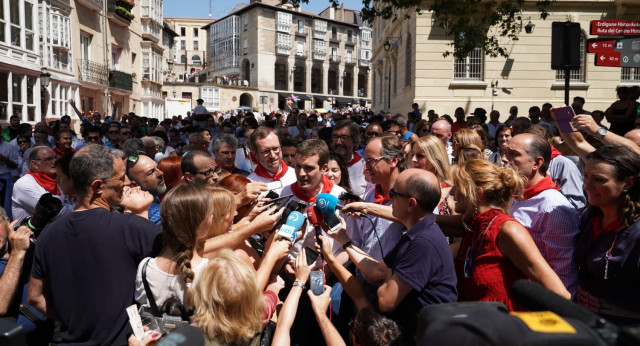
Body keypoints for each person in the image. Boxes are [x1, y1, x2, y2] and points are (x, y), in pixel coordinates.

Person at [27, 144, 161, 345]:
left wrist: (75, 320)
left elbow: (35, 297)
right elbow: (187, 255)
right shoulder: (131, 228)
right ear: (98, 186)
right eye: (120, 177)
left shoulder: (49, 233)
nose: (127, 182)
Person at [328, 169, 458, 344]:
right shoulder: (415, 234)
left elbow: (385, 301)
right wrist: (343, 238)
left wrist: (388, 276)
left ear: (411, 204)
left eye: (394, 194)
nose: (389, 198)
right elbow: (376, 271)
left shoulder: (424, 243)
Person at [451, 159, 570, 311]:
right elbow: (429, 220)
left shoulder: (507, 230)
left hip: (506, 330)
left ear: (477, 194)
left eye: (458, 186)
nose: (453, 192)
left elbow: (560, 294)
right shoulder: (475, 226)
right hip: (477, 328)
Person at [135, 185, 232, 315]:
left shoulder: (145, 268)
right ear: (202, 223)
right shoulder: (214, 271)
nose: (212, 217)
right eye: (211, 214)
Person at [505, 133, 580, 296]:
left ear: (537, 163)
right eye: (505, 152)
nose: (504, 159)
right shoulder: (511, 195)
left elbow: (563, 269)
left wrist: (558, 310)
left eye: (514, 154)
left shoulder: (554, 207)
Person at [575, 145, 640, 325]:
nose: (587, 185)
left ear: (628, 183)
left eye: (599, 179)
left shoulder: (636, 231)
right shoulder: (590, 216)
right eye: (586, 176)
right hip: (587, 323)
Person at [191, 249, 278, 345]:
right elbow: (267, 306)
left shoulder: (188, 337)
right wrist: (273, 289)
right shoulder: (255, 326)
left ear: (201, 293)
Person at [11, 146, 73, 223]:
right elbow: (53, 213)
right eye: (49, 159)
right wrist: (79, 211)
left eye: (56, 158)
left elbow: (67, 204)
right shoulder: (24, 183)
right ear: (35, 164)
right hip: (31, 234)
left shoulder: (57, 180)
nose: (55, 161)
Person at [409, 136, 454, 215]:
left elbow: (458, 223)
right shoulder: (408, 188)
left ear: (435, 159)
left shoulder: (451, 192)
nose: (413, 159)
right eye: (412, 155)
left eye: (420, 156)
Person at [247, 127, 296, 195]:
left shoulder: (296, 176)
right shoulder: (250, 184)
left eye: (275, 149)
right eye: (266, 151)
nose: (272, 155)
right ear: (256, 154)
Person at [125, 151, 166, 225]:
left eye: (157, 167)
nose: (160, 173)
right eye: (151, 172)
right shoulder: (163, 216)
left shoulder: (155, 198)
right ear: (134, 185)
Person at [331, 121, 368, 197]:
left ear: (355, 141)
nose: (338, 142)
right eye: (335, 137)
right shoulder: (323, 165)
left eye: (344, 138)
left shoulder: (365, 167)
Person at [0, 136, 19, 218]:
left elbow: (15, 165)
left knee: (5, 207)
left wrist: (4, 159)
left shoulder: (9, 146)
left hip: (4, 180)